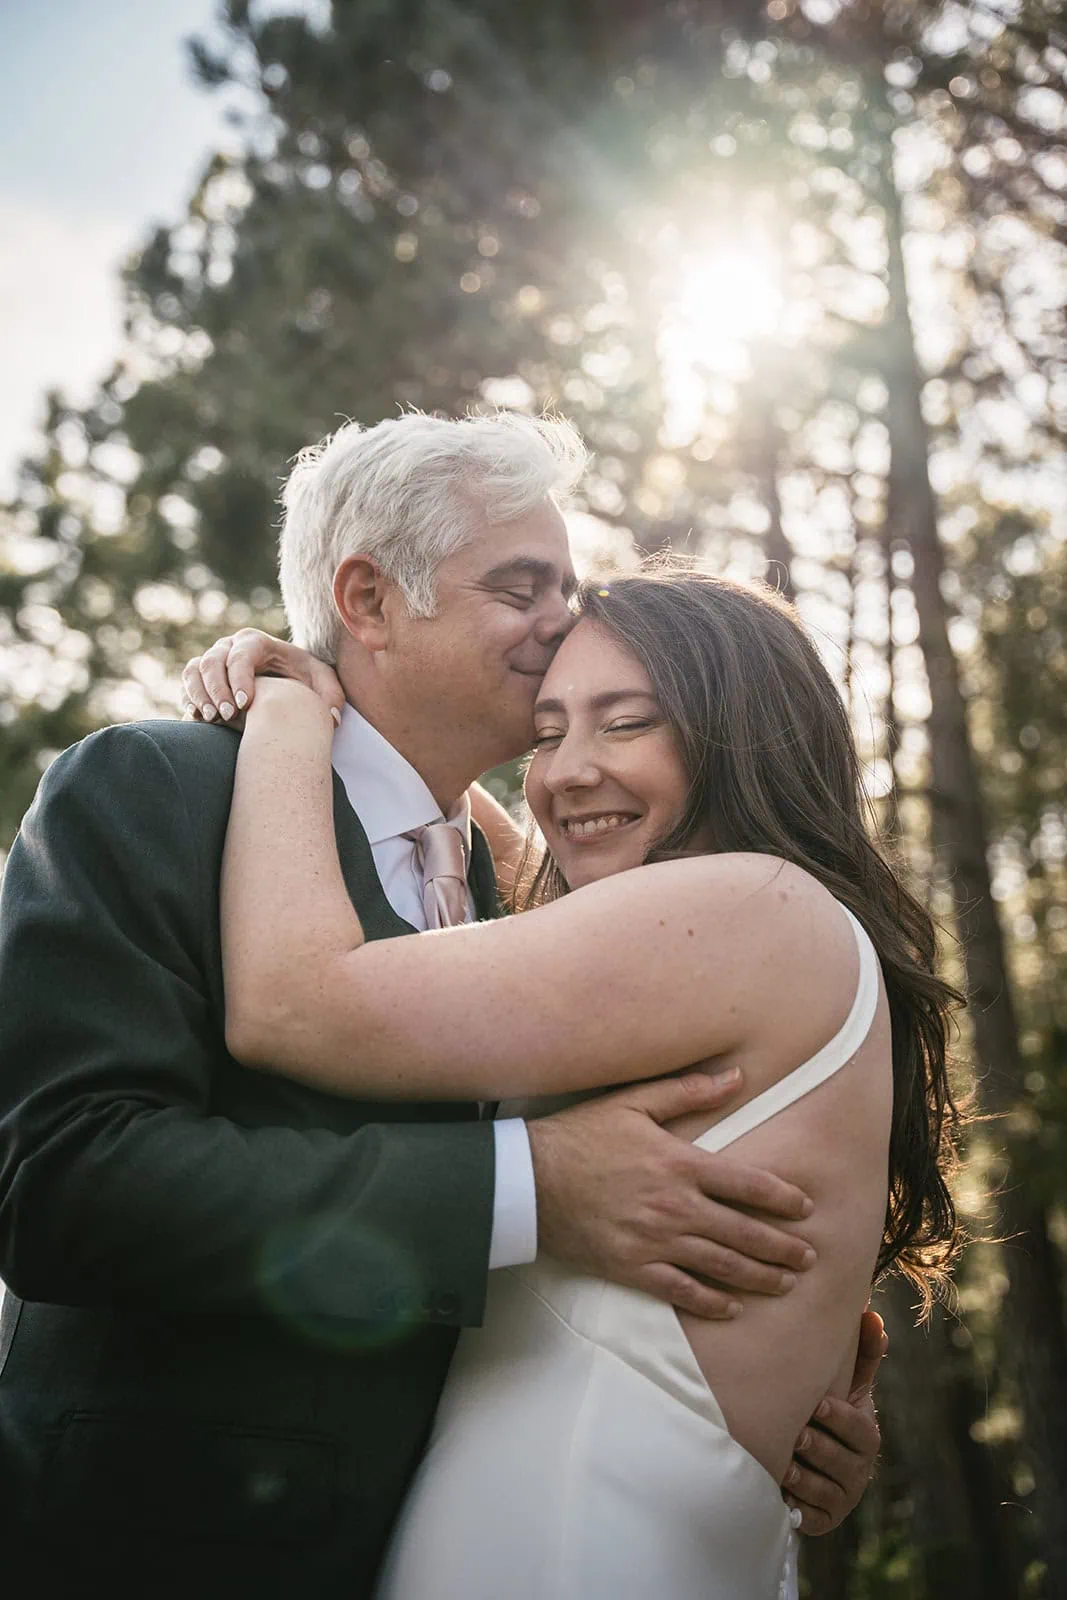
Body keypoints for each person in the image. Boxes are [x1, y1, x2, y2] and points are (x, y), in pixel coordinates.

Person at [0, 412, 878, 1600]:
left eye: (566, 587)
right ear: (365, 599)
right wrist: (530, 1186)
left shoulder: (528, 890)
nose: (563, 621)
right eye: (522, 586)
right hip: (165, 1546)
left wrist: (780, 1406)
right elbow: (61, 1180)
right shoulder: (155, 787)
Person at [189, 558, 962, 1597]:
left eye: (626, 721)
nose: (562, 773)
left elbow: (294, 1002)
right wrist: (402, 723)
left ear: (744, 730)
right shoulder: (778, 928)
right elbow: (516, 875)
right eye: (546, 731)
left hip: (563, 1537)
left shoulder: (745, 913)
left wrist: (293, 713)